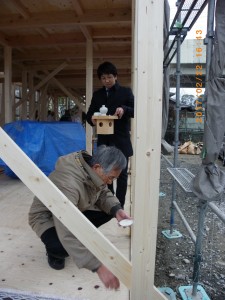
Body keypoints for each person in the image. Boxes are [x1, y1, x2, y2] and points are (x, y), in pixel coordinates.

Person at [28, 145, 131, 290]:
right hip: (48, 216)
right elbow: (66, 228)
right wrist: (98, 267)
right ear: (97, 167)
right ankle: (54, 252)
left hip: (74, 209)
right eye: (111, 178)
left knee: (109, 211)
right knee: (61, 247)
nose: (110, 182)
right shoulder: (68, 184)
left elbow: (103, 193)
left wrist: (117, 210)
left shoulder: (92, 170)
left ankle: (80, 239)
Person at [86, 61, 134, 208]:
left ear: (116, 76)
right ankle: (108, 203)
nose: (106, 81)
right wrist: (92, 119)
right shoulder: (97, 94)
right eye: (103, 78)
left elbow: (135, 110)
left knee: (122, 174)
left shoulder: (125, 92)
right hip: (104, 140)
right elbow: (88, 115)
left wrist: (124, 109)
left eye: (109, 77)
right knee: (104, 173)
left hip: (121, 139)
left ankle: (119, 204)